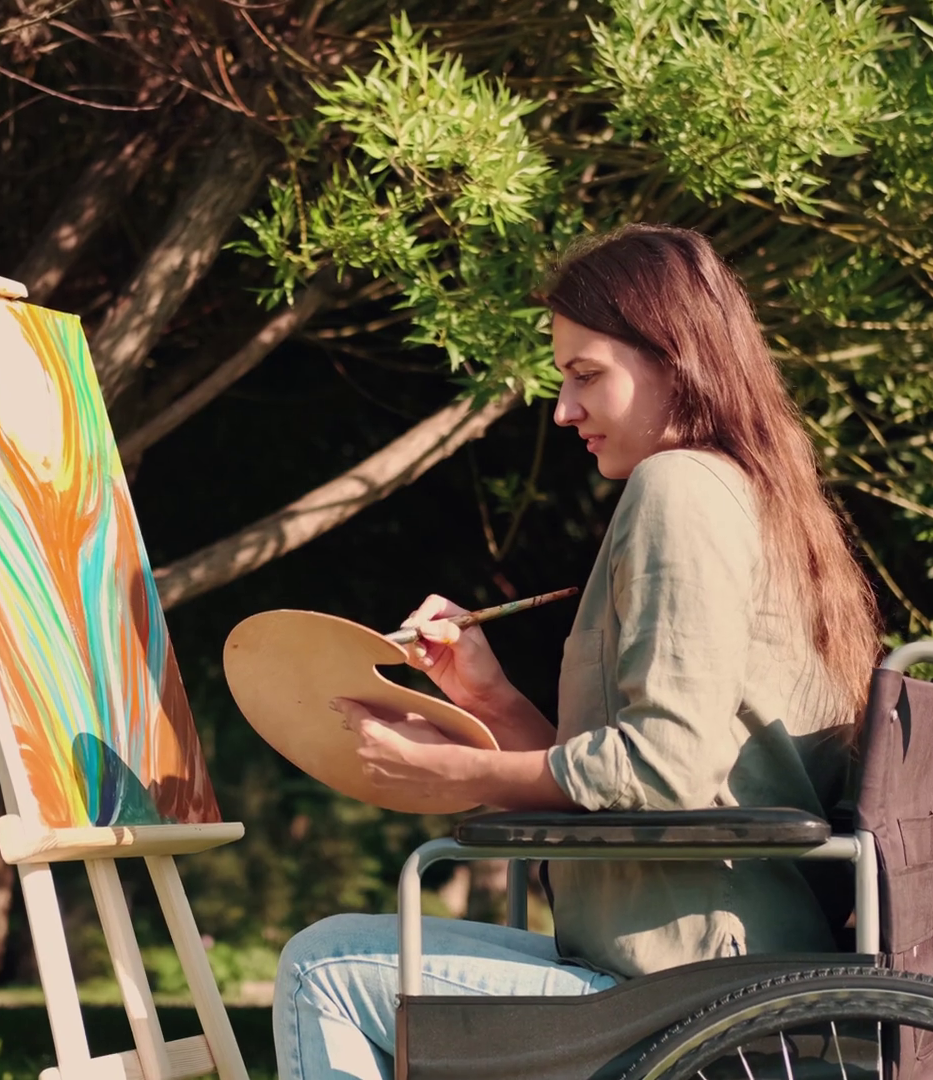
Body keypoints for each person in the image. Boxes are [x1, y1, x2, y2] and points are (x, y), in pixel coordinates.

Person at [271, 223, 883, 1080]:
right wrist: (487, 699)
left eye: (586, 375)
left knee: (323, 968)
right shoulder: (744, 492)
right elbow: (632, 778)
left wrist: (456, 775)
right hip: (691, 962)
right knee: (341, 952)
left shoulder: (680, 488)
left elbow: (664, 767)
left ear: (676, 360)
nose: (563, 410)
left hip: (685, 983)